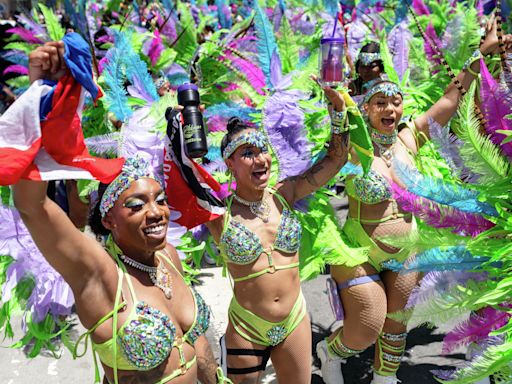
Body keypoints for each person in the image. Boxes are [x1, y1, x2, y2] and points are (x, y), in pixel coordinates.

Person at [13, 40, 227, 384]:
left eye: (159, 199)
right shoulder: (100, 275)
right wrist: (41, 95)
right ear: (109, 218)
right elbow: (32, 205)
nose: (156, 211)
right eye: (136, 205)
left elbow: (195, 342)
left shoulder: (168, 256)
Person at [316, 18, 512, 384]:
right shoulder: (355, 148)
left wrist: (480, 55)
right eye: (379, 103)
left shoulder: (409, 140)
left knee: (397, 323)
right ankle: (329, 351)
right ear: (366, 108)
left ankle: (385, 377)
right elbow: (339, 114)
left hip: (407, 251)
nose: (389, 109)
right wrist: (334, 94)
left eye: (395, 101)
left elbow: (450, 100)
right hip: (362, 251)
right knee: (367, 326)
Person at [205, 82, 350, 383]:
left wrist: (338, 109)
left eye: (262, 150)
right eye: (247, 153)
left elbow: (336, 159)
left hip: (294, 319)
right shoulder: (219, 213)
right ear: (230, 163)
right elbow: (180, 187)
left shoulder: (286, 193)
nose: (260, 160)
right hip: (247, 326)